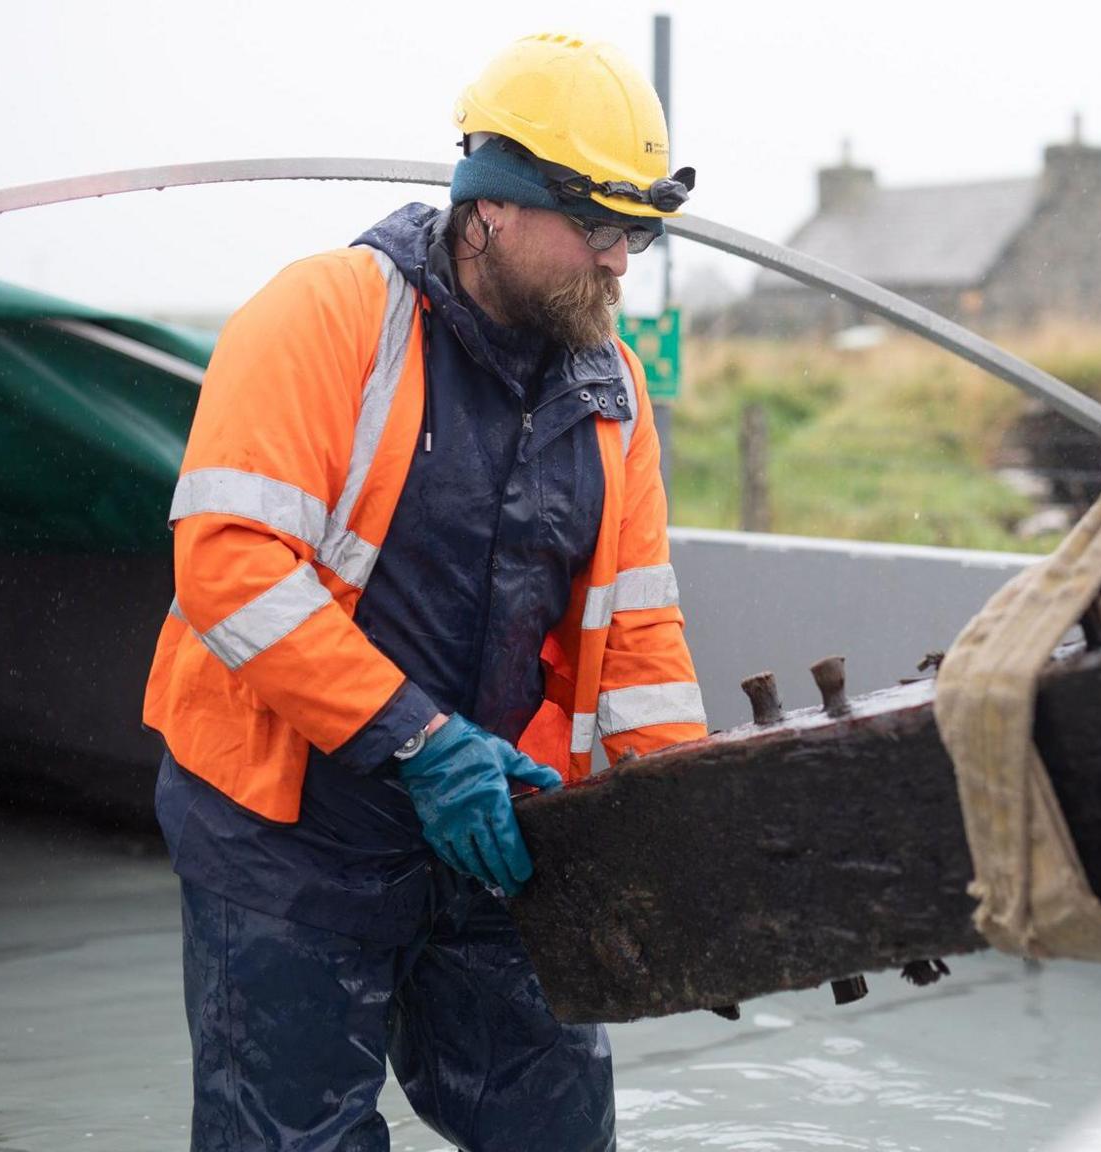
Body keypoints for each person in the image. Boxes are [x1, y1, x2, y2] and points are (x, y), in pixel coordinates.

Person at [141, 32, 707, 1152]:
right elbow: (231, 567)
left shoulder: (611, 388)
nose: (618, 263)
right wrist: (418, 742)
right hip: (288, 834)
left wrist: (677, 826)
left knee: (553, 1130)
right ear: (489, 207)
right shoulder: (326, 315)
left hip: (491, 827)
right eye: (596, 226)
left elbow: (636, 628)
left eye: (635, 232)